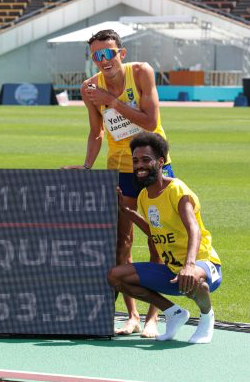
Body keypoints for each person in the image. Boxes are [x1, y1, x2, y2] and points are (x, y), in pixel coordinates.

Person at [64, 29, 174, 338]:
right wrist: (86, 165)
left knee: (158, 238)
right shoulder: (89, 89)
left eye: (108, 53)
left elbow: (151, 122)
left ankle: (155, 317)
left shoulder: (141, 73)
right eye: (96, 56)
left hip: (154, 167)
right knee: (121, 242)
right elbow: (97, 132)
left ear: (120, 54)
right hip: (119, 169)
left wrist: (111, 100)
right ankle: (133, 316)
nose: (103, 61)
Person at [108, 132, 222, 344]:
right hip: (172, 272)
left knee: (196, 281)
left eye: (145, 160)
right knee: (115, 276)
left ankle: (207, 317)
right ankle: (173, 312)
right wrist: (128, 212)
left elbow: (193, 230)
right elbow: (155, 232)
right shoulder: (144, 196)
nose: (139, 165)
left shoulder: (177, 190)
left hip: (204, 265)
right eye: (135, 161)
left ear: (160, 162)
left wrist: (189, 265)